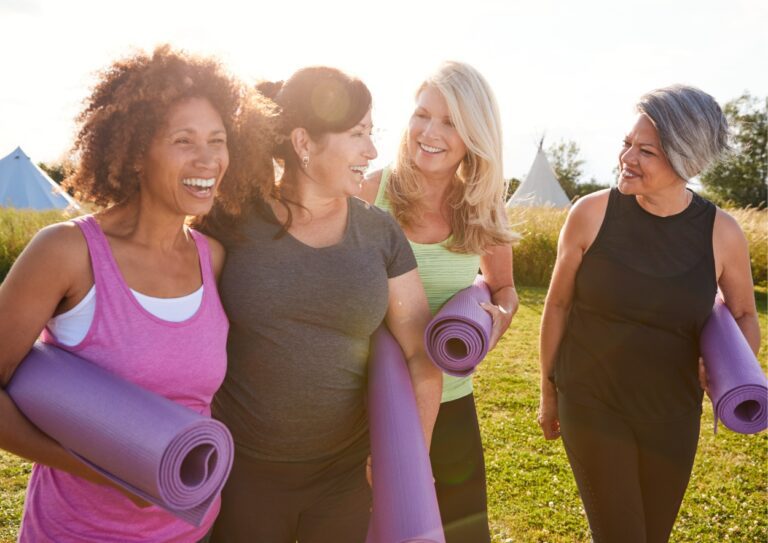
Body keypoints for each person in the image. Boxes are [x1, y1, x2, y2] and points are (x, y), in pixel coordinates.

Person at [0, 45, 275, 542]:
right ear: (136, 153)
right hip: (78, 532)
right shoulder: (67, 252)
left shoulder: (212, 259)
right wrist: (107, 467)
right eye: (183, 140)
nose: (208, 158)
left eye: (218, 140)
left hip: (192, 532)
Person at [202, 66, 443, 543]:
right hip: (242, 471)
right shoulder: (229, 221)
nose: (372, 151)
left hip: (344, 477)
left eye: (371, 134)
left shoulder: (379, 232)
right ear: (303, 142)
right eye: (357, 134)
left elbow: (420, 354)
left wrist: (408, 460)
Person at [537, 85, 760, 543]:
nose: (627, 158)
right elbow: (557, 305)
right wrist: (548, 391)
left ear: (687, 161)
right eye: (626, 143)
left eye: (646, 151)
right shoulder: (591, 214)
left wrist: (728, 369)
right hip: (592, 400)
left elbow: (743, 314)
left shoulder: (722, 234)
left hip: (673, 414)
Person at [360, 61, 518, 543]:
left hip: (450, 403)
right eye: (422, 114)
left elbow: (503, 288)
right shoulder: (371, 191)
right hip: (367, 404)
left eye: (449, 122)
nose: (429, 132)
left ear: (474, 134)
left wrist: (497, 320)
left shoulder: (483, 205)